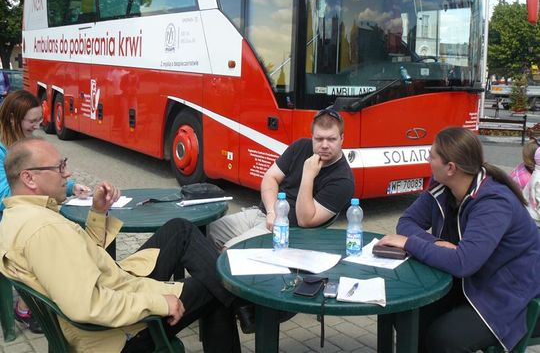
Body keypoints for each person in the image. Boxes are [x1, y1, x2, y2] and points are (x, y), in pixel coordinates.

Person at [0, 137, 241, 352]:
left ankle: (240, 301)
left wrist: (98, 212)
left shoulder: (17, 216)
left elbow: (81, 257)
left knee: (180, 229)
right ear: (29, 178)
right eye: (59, 167)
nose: (68, 173)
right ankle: (242, 301)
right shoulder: (45, 230)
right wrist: (159, 302)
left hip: (113, 286)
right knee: (216, 285)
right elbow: (86, 306)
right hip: (117, 335)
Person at [377, 127, 540, 352]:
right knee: (406, 313)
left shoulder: (493, 201)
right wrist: (434, 245)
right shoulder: (442, 187)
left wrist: (410, 243)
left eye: (432, 155)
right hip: (468, 282)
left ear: (451, 168)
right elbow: (406, 223)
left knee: (444, 338)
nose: (428, 159)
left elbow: (464, 263)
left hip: (505, 293)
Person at [0, 90, 91, 333]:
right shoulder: (2, 150)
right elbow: (5, 197)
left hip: (28, 213)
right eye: (32, 121)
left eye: (39, 120)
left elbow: (42, 177)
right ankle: (25, 305)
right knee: (42, 243)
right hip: (9, 219)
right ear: (12, 119)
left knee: (63, 234)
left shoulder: (26, 142)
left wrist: (70, 187)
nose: (38, 126)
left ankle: (70, 289)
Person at [207, 108, 355, 250]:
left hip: (288, 230)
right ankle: (209, 275)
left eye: (331, 139)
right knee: (206, 230)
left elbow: (305, 220)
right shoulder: (301, 146)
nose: (324, 145)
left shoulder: (343, 180)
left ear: (342, 139)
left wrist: (308, 175)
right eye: (319, 139)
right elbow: (270, 178)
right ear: (312, 137)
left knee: (230, 250)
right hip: (263, 214)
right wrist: (271, 212)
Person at [523, 146, 540, 226]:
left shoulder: (534, 174)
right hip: (536, 220)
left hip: (530, 214)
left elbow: (524, 194)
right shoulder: (538, 179)